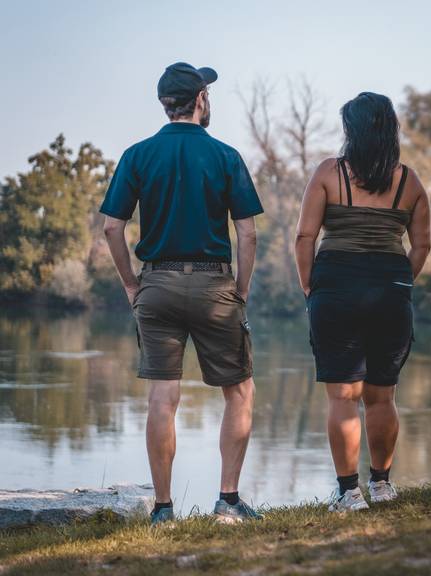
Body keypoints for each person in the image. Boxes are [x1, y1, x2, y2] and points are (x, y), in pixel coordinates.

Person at [100, 62, 265, 525]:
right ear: (200, 100)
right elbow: (247, 235)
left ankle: (163, 509)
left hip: (157, 284)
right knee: (239, 391)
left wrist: (132, 285)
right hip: (215, 285)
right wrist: (241, 292)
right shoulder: (226, 155)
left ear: (163, 104)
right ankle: (228, 503)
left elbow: (113, 227)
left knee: (162, 398)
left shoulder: (136, 155)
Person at [294, 92, 431, 512]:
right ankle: (383, 485)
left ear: (350, 130)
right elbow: (421, 246)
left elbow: (304, 237)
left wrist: (309, 285)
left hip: (336, 286)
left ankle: (349, 492)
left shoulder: (327, 174)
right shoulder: (410, 182)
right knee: (382, 395)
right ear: (389, 129)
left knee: (342, 397)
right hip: (391, 288)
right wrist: (399, 283)